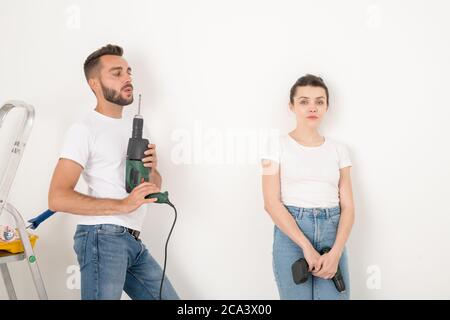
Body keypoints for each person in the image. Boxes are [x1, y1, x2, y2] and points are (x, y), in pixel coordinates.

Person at [48, 44, 179, 300]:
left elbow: (152, 185)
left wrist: (152, 170)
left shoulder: (137, 126)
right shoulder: (84, 129)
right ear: (94, 84)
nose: (128, 78)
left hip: (132, 240)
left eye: (128, 72)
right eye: (116, 73)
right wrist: (122, 204)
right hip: (102, 237)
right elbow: (57, 197)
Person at [261, 74, 355, 300]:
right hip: (292, 235)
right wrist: (306, 246)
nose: (312, 107)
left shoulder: (339, 150)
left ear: (326, 107)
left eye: (319, 101)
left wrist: (336, 252)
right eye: (304, 101)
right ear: (291, 106)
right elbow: (271, 203)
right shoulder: (275, 146)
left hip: (333, 234)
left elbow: (349, 207)